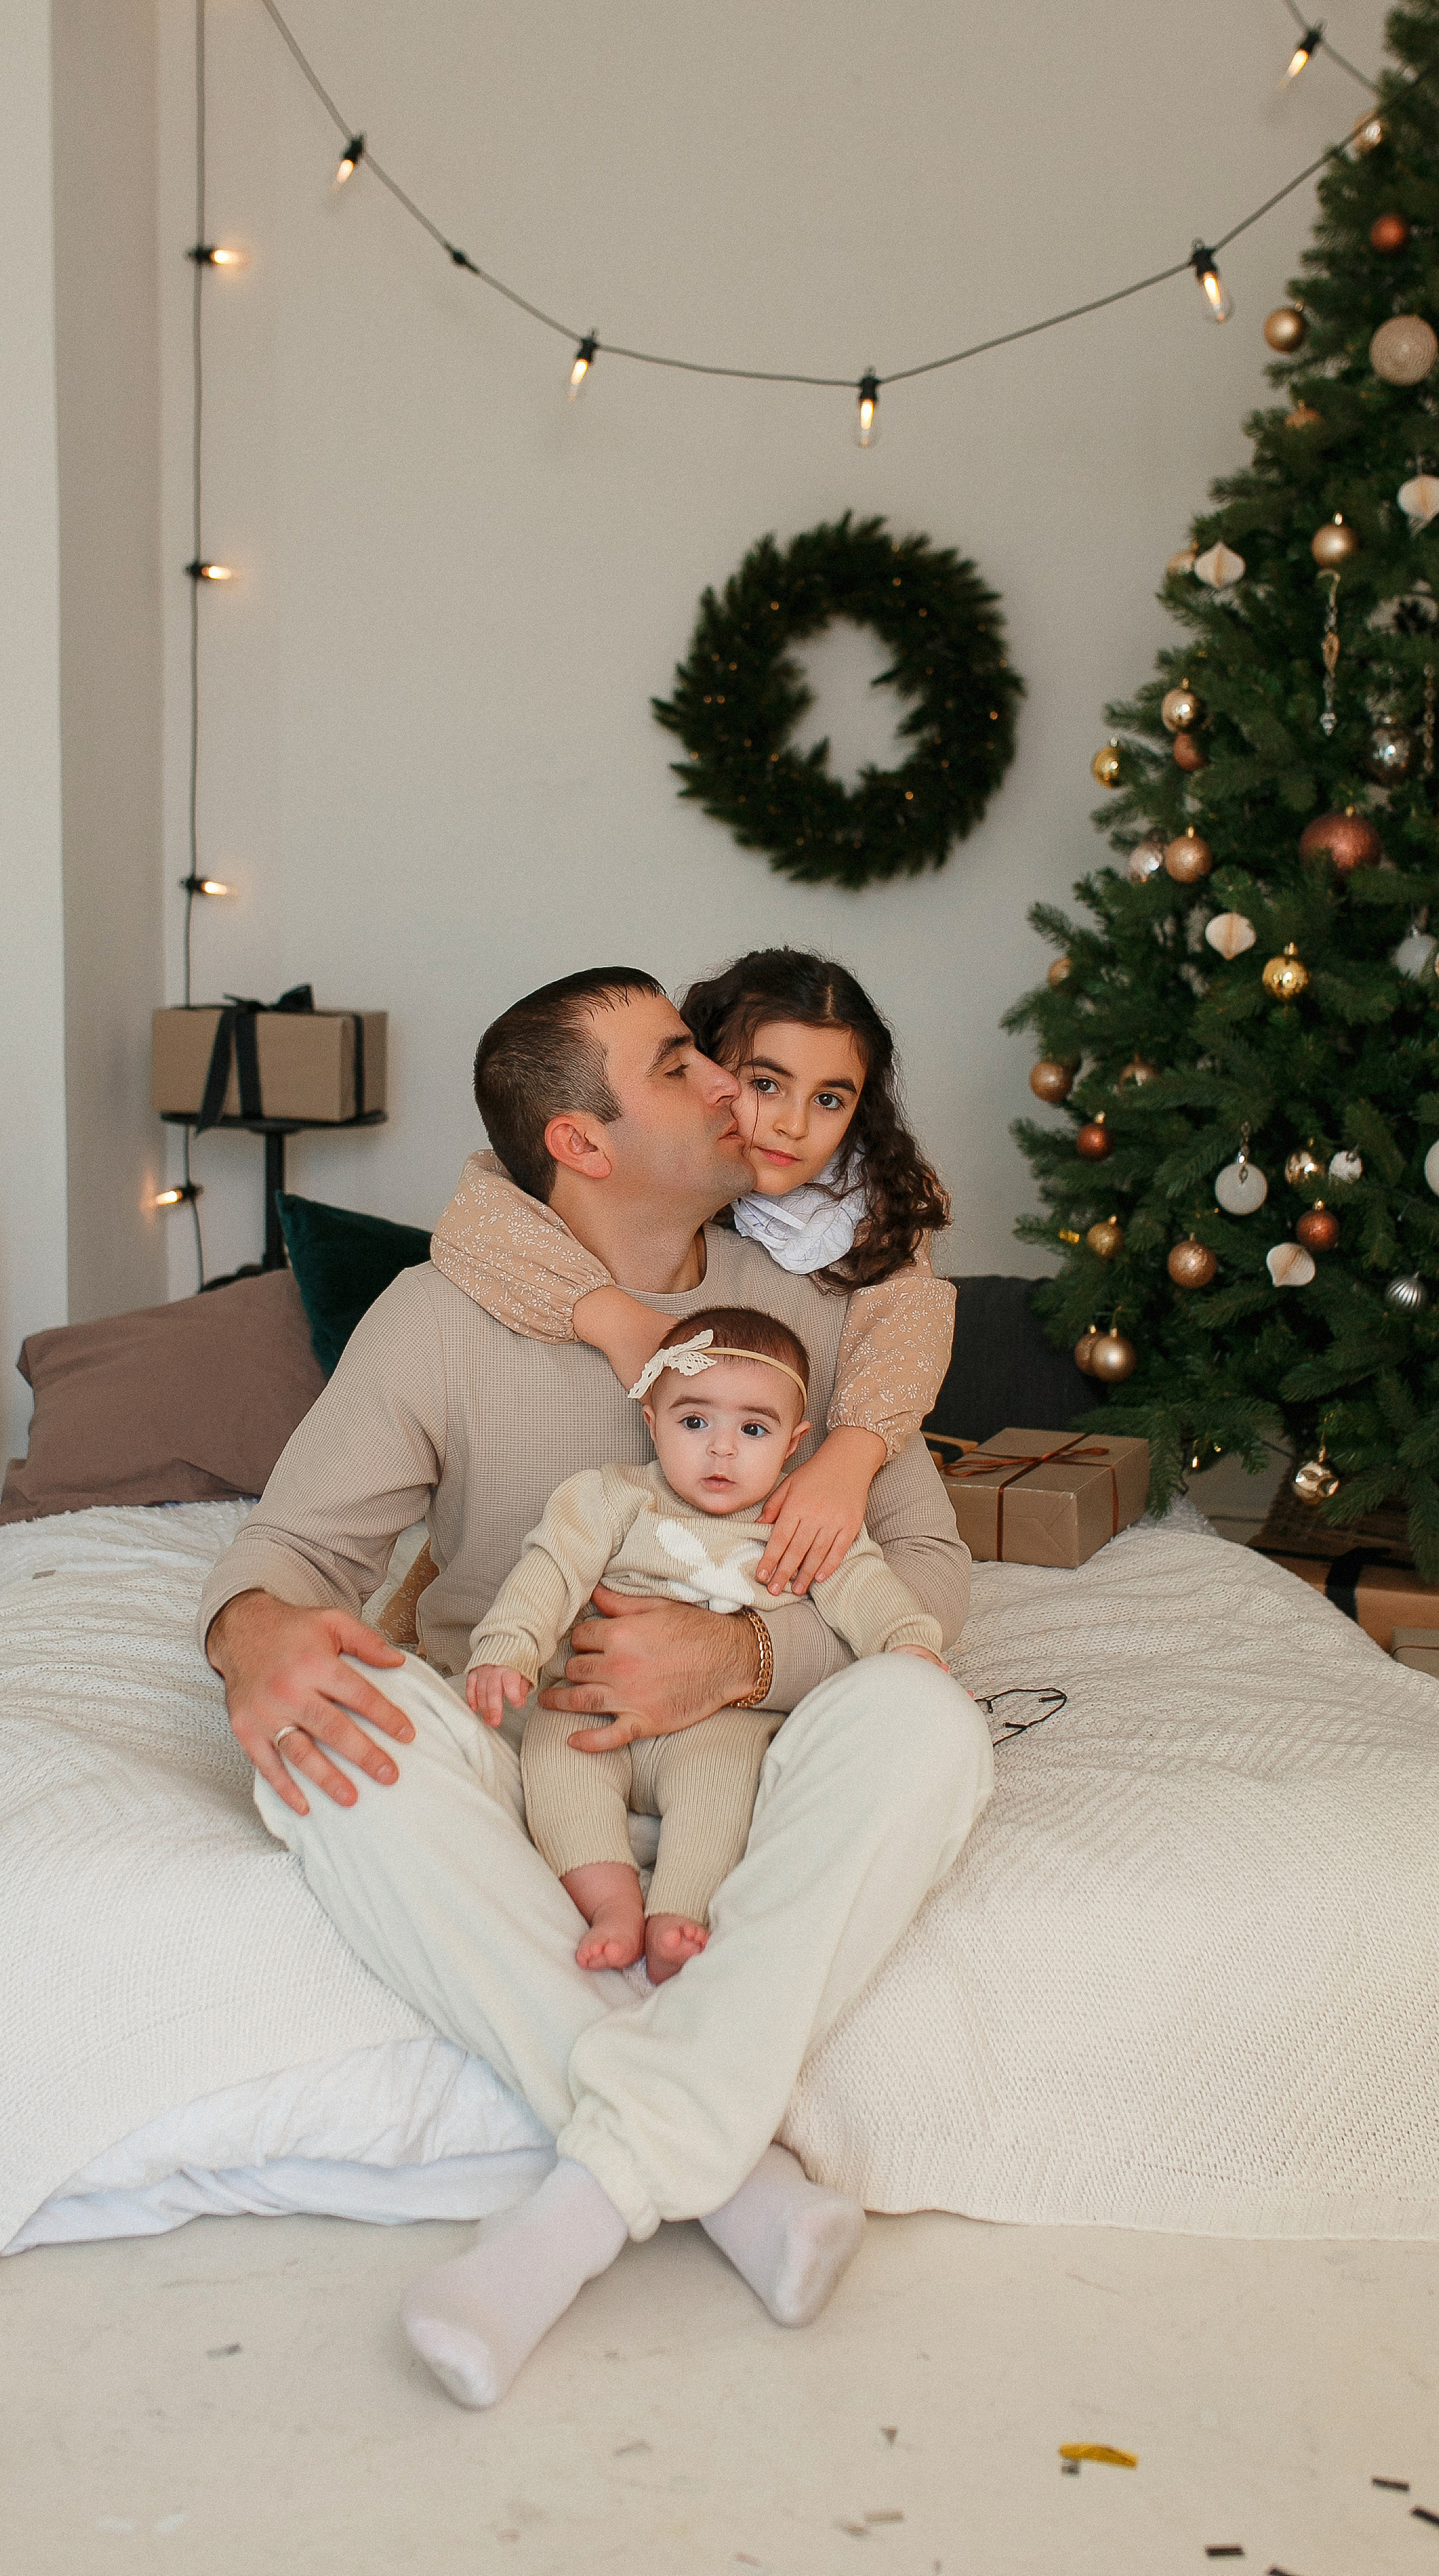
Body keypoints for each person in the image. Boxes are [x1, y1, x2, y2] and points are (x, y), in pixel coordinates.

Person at [199, 967, 990, 2410]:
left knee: (929, 1721)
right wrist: (252, 1632)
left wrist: (752, 1655)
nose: (733, 1086)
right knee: (316, 1749)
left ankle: (573, 2216)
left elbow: (929, 1569)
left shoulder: (817, 1316)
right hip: (521, 1744)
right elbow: (297, 1548)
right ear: (582, 1142)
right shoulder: (440, 1316)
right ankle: (728, 2174)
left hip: (755, 1755)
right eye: (687, 1064)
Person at [433, 948, 956, 1604]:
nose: (793, 1126)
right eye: (765, 1085)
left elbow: (911, 1320)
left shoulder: (858, 1213)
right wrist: (613, 1317)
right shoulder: (666, 1172)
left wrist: (850, 1456)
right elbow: (478, 1216)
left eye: (829, 1099)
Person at [466, 1303, 945, 1984]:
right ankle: (612, 1905)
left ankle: (678, 1914)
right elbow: (549, 1571)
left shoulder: (796, 1521)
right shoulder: (611, 1499)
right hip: (592, 1699)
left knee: (727, 1788)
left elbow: (865, 1586)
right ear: (652, 1421)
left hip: (716, 1724)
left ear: (794, 1442)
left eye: (753, 1428)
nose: (721, 1449)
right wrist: (505, 1650)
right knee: (553, 1755)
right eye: (695, 1422)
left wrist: (907, 1645)